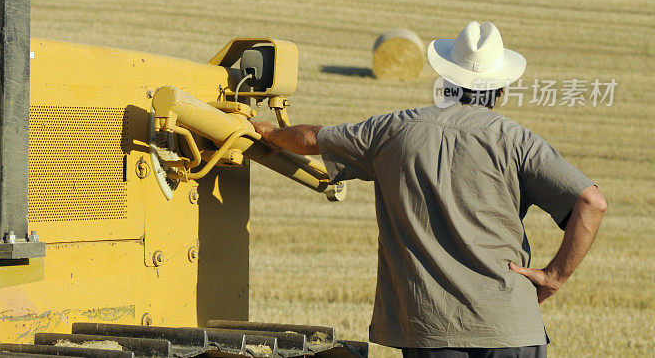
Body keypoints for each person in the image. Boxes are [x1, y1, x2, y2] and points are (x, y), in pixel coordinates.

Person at [252, 21, 606, 358]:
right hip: (510, 326)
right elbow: (591, 202)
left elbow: (312, 138)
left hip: (431, 328)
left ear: (447, 78)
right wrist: (554, 276)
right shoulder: (517, 140)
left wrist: (270, 134)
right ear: (501, 88)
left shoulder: (392, 129)